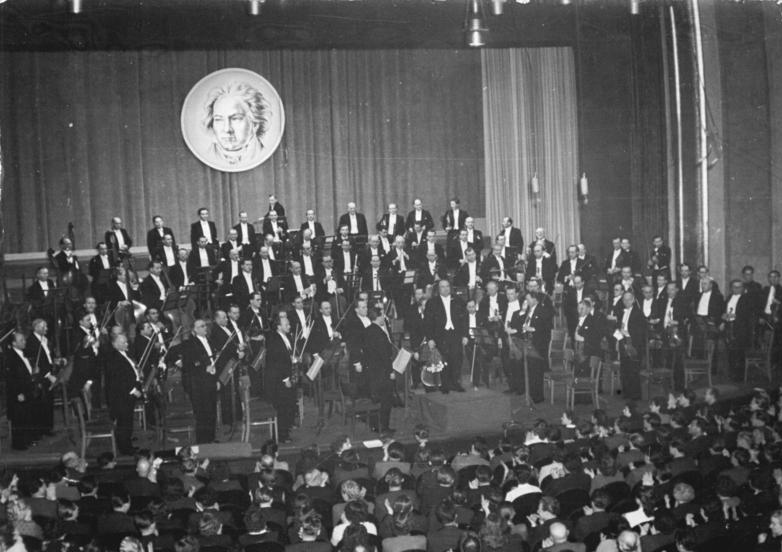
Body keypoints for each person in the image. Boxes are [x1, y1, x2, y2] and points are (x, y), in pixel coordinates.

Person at [203, 81, 269, 167]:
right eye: (219, 119)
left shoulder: (265, 155)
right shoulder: (208, 156)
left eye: (235, 119)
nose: (227, 129)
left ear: (255, 123)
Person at [424, 279, 468, 393]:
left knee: (456, 359)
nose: (445, 289)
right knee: (443, 360)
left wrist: (465, 335)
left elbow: (464, 319)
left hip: (455, 334)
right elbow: (428, 323)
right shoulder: (432, 303)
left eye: (447, 286)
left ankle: (455, 383)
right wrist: (430, 339)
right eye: (442, 287)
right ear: (438, 289)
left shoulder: (458, 301)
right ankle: (445, 385)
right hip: (440, 335)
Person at [181, 319, 219, 443]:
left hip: (211, 380)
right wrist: (204, 368)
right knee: (202, 413)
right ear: (195, 330)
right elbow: (190, 363)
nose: (205, 328)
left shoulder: (210, 341)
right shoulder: (190, 343)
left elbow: (213, 360)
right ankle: (203, 441)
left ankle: (211, 438)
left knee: (212, 410)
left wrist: (216, 379)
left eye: (205, 325)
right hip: (199, 383)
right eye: (202, 326)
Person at [509, 291, 550, 403]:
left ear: (535, 299)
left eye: (528, 299)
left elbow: (547, 328)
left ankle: (538, 397)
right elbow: (522, 323)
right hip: (527, 343)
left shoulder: (542, 310)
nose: (526, 301)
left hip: (537, 345)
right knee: (530, 371)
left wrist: (533, 329)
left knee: (536, 372)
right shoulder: (529, 310)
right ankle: (531, 394)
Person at [106, 333, 143, 455]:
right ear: (115, 344)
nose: (127, 344)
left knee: (128, 421)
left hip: (127, 395)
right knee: (124, 422)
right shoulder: (113, 357)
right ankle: (125, 449)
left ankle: (127, 442)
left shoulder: (124, 353)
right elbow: (119, 380)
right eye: (123, 342)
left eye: (126, 341)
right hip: (121, 396)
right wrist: (133, 390)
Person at [362, 307, 397, 433]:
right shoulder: (380, 333)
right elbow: (384, 356)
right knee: (386, 401)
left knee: (377, 400)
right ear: (377, 317)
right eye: (382, 315)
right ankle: (384, 427)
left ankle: (376, 426)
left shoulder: (367, 331)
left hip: (372, 372)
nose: (384, 318)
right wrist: (390, 371)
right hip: (382, 373)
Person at [264, 314, 298, 442]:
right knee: (283, 407)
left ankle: (286, 429)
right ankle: (282, 435)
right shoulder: (274, 339)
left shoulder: (286, 337)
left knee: (288, 404)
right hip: (279, 380)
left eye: (289, 324)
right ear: (279, 326)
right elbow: (277, 361)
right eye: (286, 324)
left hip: (286, 375)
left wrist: (294, 358)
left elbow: (286, 356)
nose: (289, 326)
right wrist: (285, 379)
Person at [616, 291, 646, 400]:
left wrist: (627, 333)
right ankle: (626, 393)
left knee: (633, 370)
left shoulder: (638, 313)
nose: (626, 302)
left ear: (633, 300)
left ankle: (635, 395)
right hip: (623, 343)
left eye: (629, 299)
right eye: (624, 300)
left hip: (634, 345)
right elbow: (619, 326)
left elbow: (641, 331)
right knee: (624, 369)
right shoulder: (622, 312)